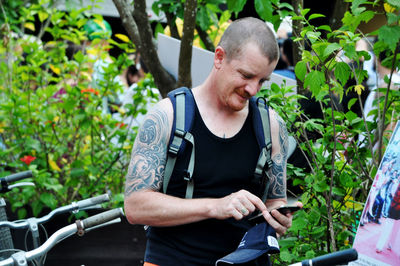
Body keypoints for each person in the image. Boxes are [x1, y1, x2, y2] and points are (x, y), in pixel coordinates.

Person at [124, 17, 301, 265]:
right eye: (246, 75)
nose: (253, 89)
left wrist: (278, 217)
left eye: (262, 81)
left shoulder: (270, 125)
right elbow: (135, 207)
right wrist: (215, 207)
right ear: (219, 57)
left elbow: (276, 200)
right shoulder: (168, 116)